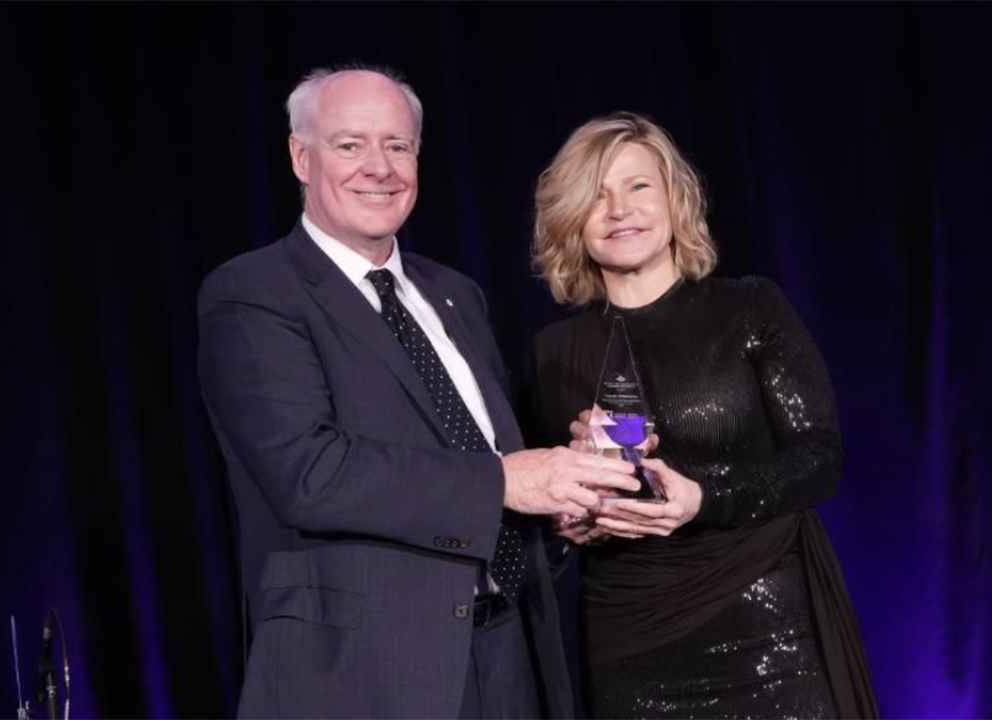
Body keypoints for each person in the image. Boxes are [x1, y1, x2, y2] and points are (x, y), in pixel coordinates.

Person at [197, 65, 640, 719]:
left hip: (509, 653)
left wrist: (560, 509)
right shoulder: (254, 293)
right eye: (350, 145)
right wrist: (507, 482)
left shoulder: (457, 295)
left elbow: (488, 457)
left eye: (398, 146)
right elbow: (309, 473)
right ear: (300, 155)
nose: (380, 167)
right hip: (365, 675)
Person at [523, 112, 880, 719]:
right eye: (597, 195)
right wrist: (569, 524)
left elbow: (820, 458)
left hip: (765, 623)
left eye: (638, 186)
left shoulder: (749, 307)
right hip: (629, 637)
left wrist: (705, 498)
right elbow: (541, 501)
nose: (619, 209)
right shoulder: (552, 354)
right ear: (571, 219)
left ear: (674, 199)